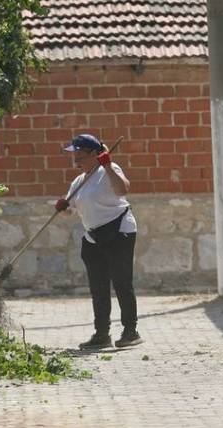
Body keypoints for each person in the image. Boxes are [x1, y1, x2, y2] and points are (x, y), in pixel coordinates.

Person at [56, 133, 142, 349]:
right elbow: (71, 210)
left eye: (81, 155)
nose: (76, 160)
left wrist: (109, 165)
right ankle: (102, 334)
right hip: (93, 236)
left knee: (122, 282)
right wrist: (62, 208)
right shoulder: (79, 181)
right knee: (99, 286)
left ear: (95, 154)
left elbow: (123, 190)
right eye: (74, 155)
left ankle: (131, 332)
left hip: (119, 231)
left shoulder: (108, 171)